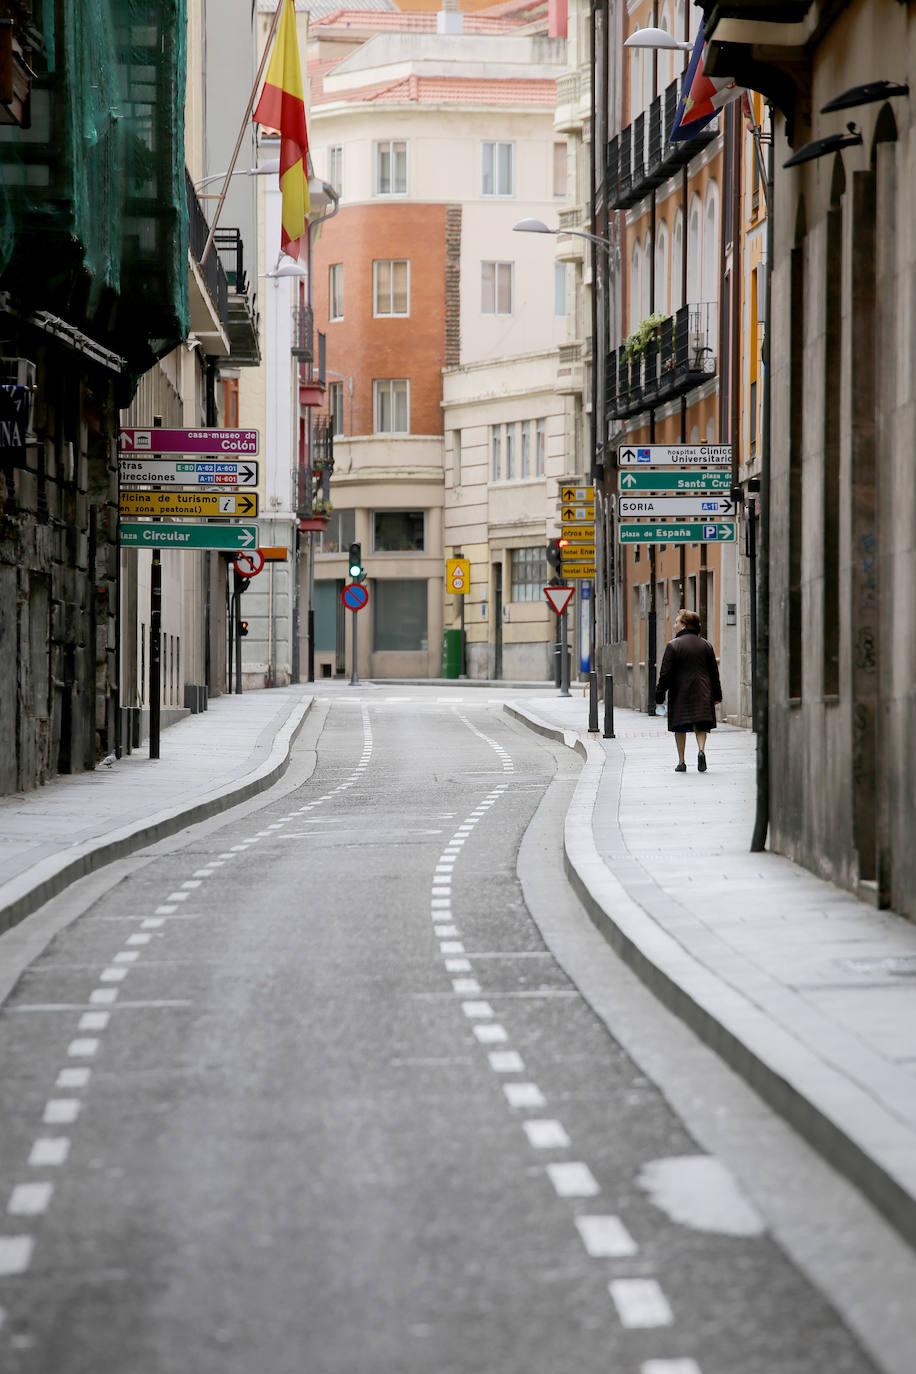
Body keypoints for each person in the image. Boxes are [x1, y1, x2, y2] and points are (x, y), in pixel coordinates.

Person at [655, 608, 722, 773]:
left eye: (676, 622)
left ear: (684, 625)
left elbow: (665, 673)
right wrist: (717, 695)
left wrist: (660, 693)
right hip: (703, 690)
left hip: (680, 692)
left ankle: (682, 761)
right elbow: (714, 672)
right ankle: (701, 750)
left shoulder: (673, 645)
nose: (674, 626)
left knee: (679, 726)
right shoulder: (706, 645)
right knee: (700, 724)